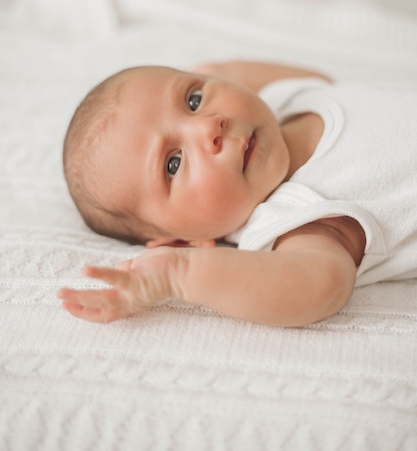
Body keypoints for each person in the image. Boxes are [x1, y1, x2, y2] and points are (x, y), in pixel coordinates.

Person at [57, 60, 417, 327]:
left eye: (193, 100)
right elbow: (324, 284)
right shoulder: (297, 220)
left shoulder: (288, 99)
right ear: (185, 241)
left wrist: (210, 73)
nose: (209, 126)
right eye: (173, 164)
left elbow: (228, 72)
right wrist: (178, 274)